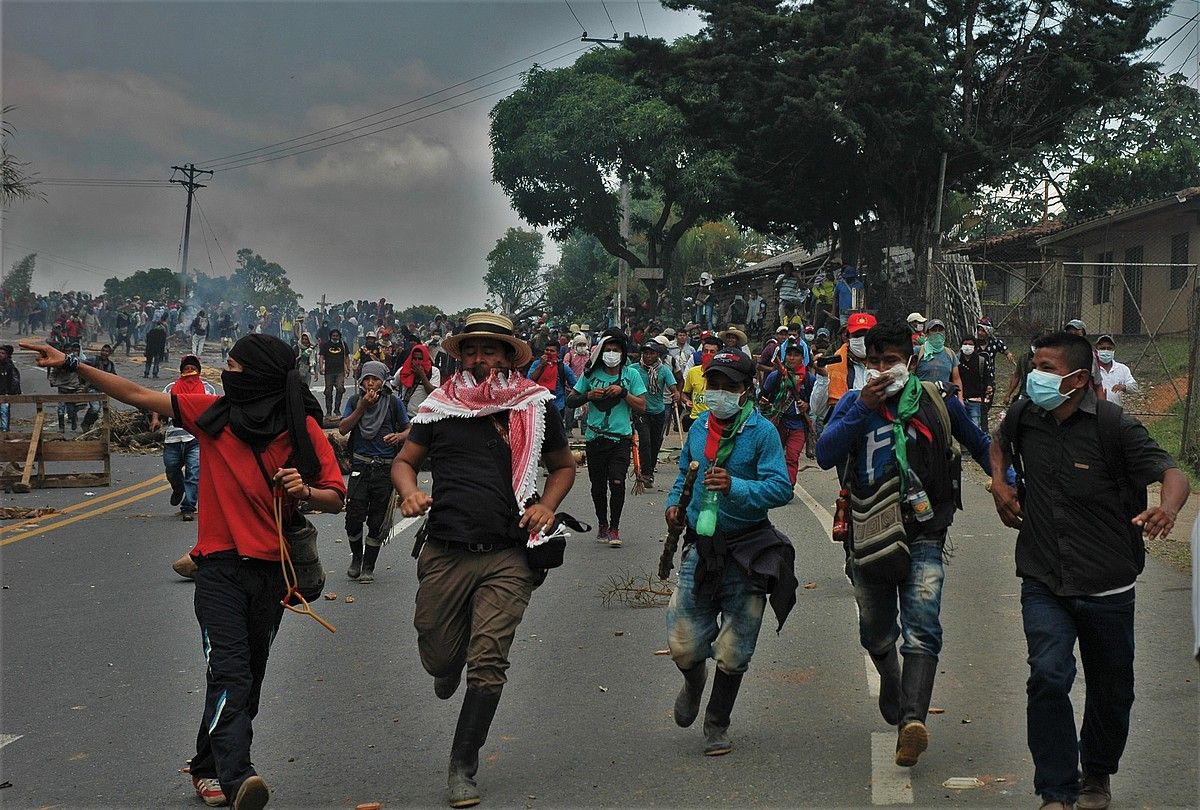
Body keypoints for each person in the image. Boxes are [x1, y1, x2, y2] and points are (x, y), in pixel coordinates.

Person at [20, 333, 347, 810]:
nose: (226, 375)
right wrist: (73, 362)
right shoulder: (210, 415)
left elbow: (336, 497)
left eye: (234, 367)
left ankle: (204, 766)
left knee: (245, 678)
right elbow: (134, 393)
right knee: (231, 673)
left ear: (258, 377)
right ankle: (239, 778)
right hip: (217, 570)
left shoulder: (303, 432)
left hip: (274, 574)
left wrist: (303, 492)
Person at [989, 331, 1189, 810]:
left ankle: (1096, 775)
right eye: (1034, 364)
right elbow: (997, 442)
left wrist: (1168, 508)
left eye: (1048, 368)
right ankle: (1055, 790)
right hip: (1043, 577)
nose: (1035, 375)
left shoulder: (1113, 427)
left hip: (1108, 583)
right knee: (1047, 674)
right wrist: (999, 484)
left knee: (1111, 687)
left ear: (1078, 379)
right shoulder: (1024, 415)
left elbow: (1173, 472)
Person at [391, 311, 576, 809]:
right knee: (439, 653)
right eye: (471, 349)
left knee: (489, 661)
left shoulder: (535, 407)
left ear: (508, 355)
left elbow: (562, 466)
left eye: (491, 350)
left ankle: (463, 765)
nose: (480, 358)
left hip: (508, 554)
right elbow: (405, 460)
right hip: (445, 550)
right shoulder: (438, 406)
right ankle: (446, 665)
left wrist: (546, 505)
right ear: (460, 354)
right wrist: (409, 492)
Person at [816, 319, 1004, 769]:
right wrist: (861, 407)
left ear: (911, 362)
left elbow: (980, 444)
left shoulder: (939, 401)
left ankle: (912, 722)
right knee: (875, 628)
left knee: (923, 622)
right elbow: (825, 454)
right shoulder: (851, 406)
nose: (883, 369)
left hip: (926, 529)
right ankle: (891, 677)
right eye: (875, 361)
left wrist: (1006, 481)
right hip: (868, 531)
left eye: (892, 361)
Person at [664, 350, 796, 756]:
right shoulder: (700, 426)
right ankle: (693, 681)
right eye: (714, 385)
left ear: (746, 390)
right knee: (683, 643)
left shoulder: (762, 433)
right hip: (701, 547)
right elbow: (684, 473)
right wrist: (674, 505)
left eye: (729, 387)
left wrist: (736, 486)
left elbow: (781, 488)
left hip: (749, 549)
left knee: (735, 649)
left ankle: (717, 723)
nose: (720, 393)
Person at [566, 328, 647, 548]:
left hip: (621, 438)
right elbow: (571, 400)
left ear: (623, 352)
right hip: (595, 438)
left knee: (617, 481)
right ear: (601, 352)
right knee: (598, 486)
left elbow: (642, 405)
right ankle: (602, 522)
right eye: (608, 349)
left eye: (616, 350)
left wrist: (623, 393)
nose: (611, 353)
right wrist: (588, 396)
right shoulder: (591, 374)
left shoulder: (631, 375)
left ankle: (614, 527)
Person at [340, 361, 410, 583]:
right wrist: (362, 407)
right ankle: (356, 560)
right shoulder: (354, 401)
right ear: (361, 381)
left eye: (375, 379)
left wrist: (399, 437)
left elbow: (409, 429)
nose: (370, 383)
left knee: (377, 521)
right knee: (353, 516)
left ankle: (369, 566)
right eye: (366, 379)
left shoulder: (393, 402)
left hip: (384, 468)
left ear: (383, 381)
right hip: (360, 467)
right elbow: (343, 428)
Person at [150, 355, 218, 521]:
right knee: (172, 470)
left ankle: (188, 507)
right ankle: (178, 489)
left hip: (195, 439)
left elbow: (215, 408)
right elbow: (157, 403)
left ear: (198, 371)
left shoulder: (207, 388)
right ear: (181, 371)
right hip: (173, 438)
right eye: (186, 368)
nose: (189, 371)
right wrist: (155, 419)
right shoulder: (172, 388)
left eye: (192, 368)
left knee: (194, 473)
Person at [760, 343, 814, 485]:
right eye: (789, 354)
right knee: (774, 455)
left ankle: (788, 486)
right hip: (778, 422)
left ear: (802, 358)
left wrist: (807, 405)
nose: (792, 358)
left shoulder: (809, 379)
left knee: (792, 456)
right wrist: (765, 403)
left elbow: (817, 402)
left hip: (799, 424)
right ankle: (773, 482)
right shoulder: (776, 376)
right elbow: (762, 395)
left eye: (796, 355)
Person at [632, 341, 679, 489]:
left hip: (658, 411)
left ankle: (649, 470)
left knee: (656, 442)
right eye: (645, 353)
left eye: (651, 353)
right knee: (645, 441)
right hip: (641, 411)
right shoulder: (633, 369)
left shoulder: (664, 370)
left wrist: (676, 394)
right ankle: (645, 473)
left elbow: (673, 387)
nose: (648, 356)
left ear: (657, 355)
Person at [826, 312, 875, 413]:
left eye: (867, 335)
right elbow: (818, 410)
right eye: (857, 336)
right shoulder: (835, 363)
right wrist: (821, 378)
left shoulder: (887, 364)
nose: (862, 340)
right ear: (848, 337)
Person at [526, 341, 578, 419]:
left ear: (558, 353)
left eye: (552, 351)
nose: (549, 352)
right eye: (547, 350)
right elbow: (530, 379)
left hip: (557, 406)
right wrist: (541, 365)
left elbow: (575, 384)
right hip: (538, 405)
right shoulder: (536, 364)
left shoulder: (562, 367)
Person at [680, 334, 721, 431]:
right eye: (705, 351)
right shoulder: (693, 372)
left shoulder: (722, 374)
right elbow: (684, 393)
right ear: (701, 353)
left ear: (718, 354)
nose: (708, 354)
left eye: (712, 352)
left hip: (715, 421)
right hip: (696, 419)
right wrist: (687, 401)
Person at [914, 319, 963, 397]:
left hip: (944, 398)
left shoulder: (950, 354)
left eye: (940, 330)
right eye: (934, 330)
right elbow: (910, 375)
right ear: (927, 333)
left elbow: (956, 379)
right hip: (922, 398)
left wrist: (960, 398)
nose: (937, 333)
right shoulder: (918, 351)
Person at [956, 336, 992, 430]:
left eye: (970, 344)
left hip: (975, 401)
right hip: (959, 400)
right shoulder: (956, 360)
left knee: (975, 427)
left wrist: (989, 386)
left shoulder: (981, 361)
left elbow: (987, 377)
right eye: (965, 344)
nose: (967, 346)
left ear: (975, 347)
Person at [396, 342, 441, 412]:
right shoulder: (404, 370)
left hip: (423, 416)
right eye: (414, 358)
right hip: (405, 415)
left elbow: (433, 393)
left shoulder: (434, 371)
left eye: (420, 359)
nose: (417, 361)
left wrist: (422, 374)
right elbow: (391, 387)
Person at [1094, 335, 1137, 407]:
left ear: (1113, 351)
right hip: (1095, 410)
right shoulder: (1092, 369)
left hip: (1115, 410)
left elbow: (1134, 387)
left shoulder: (1122, 369)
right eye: (1102, 348)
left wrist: (1123, 387)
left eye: (1109, 348)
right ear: (1096, 350)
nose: (1106, 351)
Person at [319, 328, 348, 416]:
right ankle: (328, 411)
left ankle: (337, 409)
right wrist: (321, 367)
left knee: (340, 388)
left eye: (337, 336)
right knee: (328, 391)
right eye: (333, 336)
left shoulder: (343, 345)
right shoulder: (326, 345)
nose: (335, 337)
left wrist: (348, 368)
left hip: (340, 371)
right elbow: (321, 356)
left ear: (339, 336)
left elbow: (346, 357)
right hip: (329, 372)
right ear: (330, 336)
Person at [0, 344, 20, 432]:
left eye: (2, 353)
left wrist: (11, 392)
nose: (0, 354)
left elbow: (13, 380)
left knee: (4, 412)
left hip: (5, 394)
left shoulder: (9, 366)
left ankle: (5, 431)